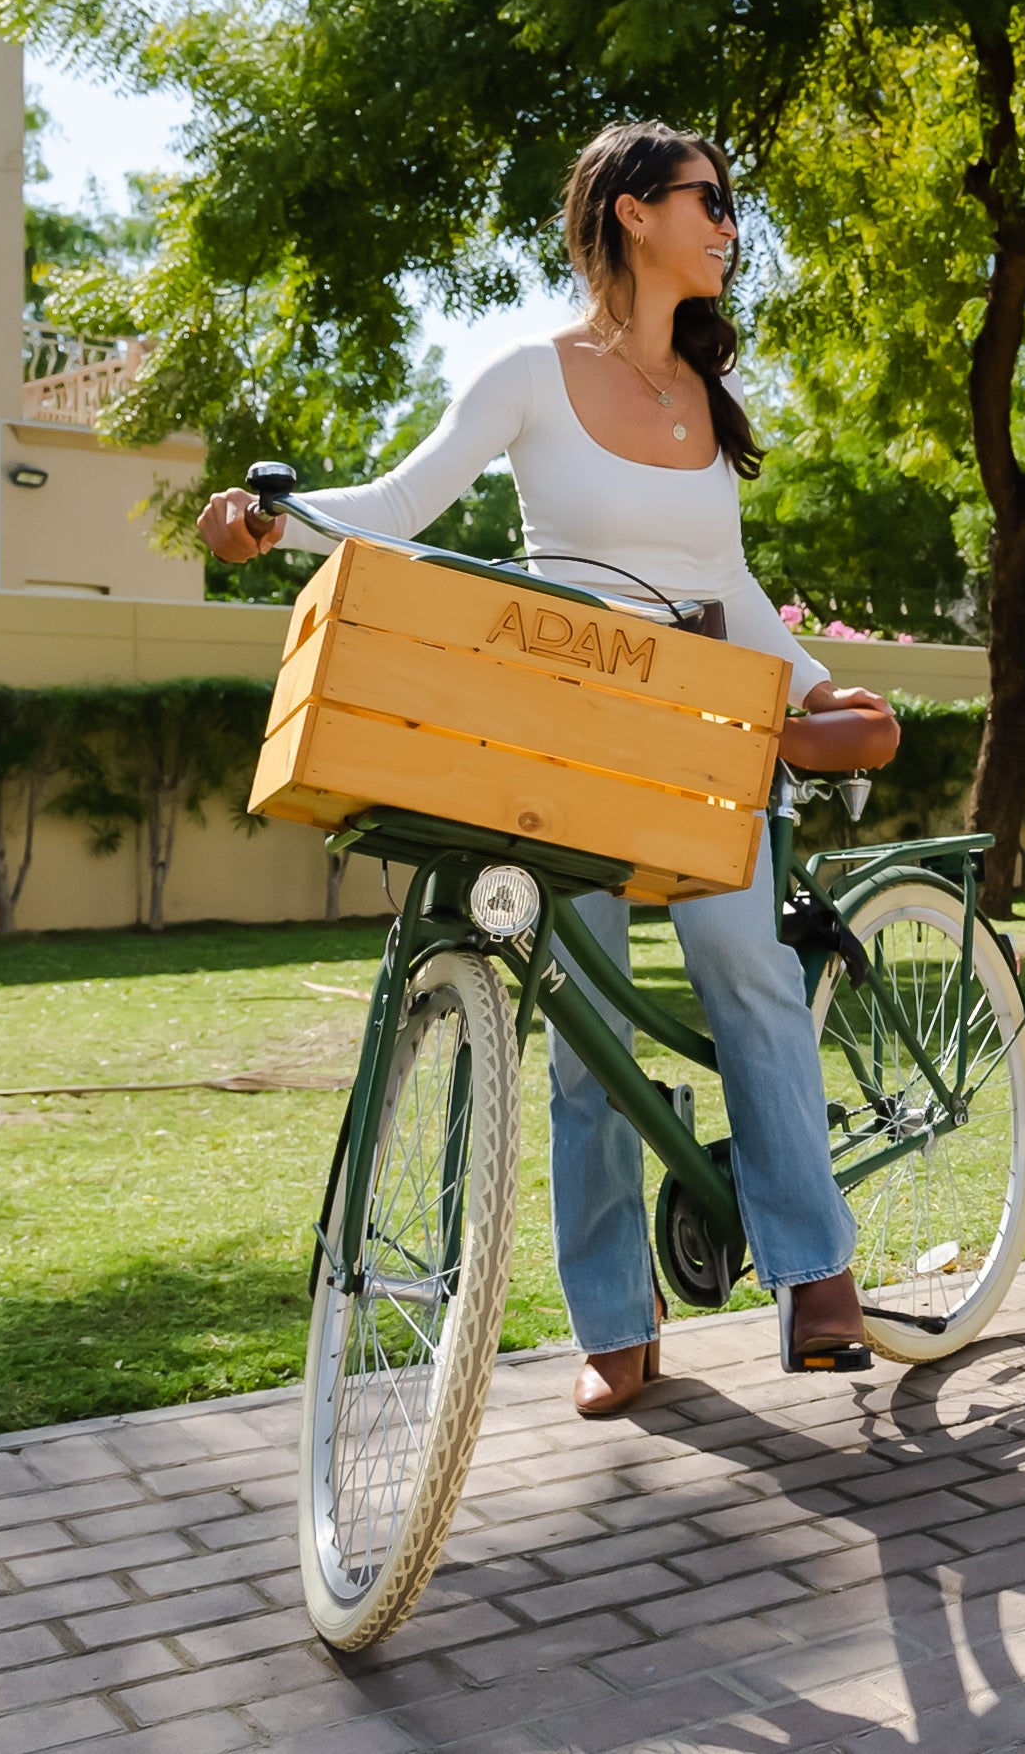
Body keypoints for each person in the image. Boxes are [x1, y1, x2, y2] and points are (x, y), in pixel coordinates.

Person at [198, 121, 895, 1418]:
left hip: (706, 734)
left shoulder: (696, 395)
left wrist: (817, 688)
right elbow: (402, 506)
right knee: (581, 1028)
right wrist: (274, 517)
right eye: (709, 199)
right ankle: (615, 1320)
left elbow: (722, 583)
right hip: (568, 732)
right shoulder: (530, 372)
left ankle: (815, 1271)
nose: (727, 224)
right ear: (631, 210)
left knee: (748, 972)